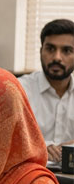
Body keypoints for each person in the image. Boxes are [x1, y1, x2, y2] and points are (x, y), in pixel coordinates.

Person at [18, 18, 74, 162]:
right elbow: (9, 139)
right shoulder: (20, 89)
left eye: (67, 51)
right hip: (30, 170)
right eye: (50, 49)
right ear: (41, 51)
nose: (57, 57)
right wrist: (40, 148)